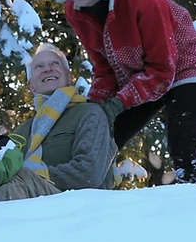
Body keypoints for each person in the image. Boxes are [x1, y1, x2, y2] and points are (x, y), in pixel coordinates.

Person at [49, 0, 196, 187]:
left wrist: (119, 102)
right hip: (140, 78)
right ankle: (89, 200)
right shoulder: (75, 10)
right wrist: (95, 107)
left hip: (187, 69)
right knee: (101, 138)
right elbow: (104, 68)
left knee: (185, 151)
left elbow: (163, 70)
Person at [12, 43, 118, 191]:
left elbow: (88, 173)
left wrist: (34, 177)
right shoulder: (21, 132)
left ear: (69, 78)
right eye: (39, 67)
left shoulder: (89, 113)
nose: (48, 69)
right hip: (23, 204)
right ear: (31, 86)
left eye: (55, 63)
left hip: (75, 206)